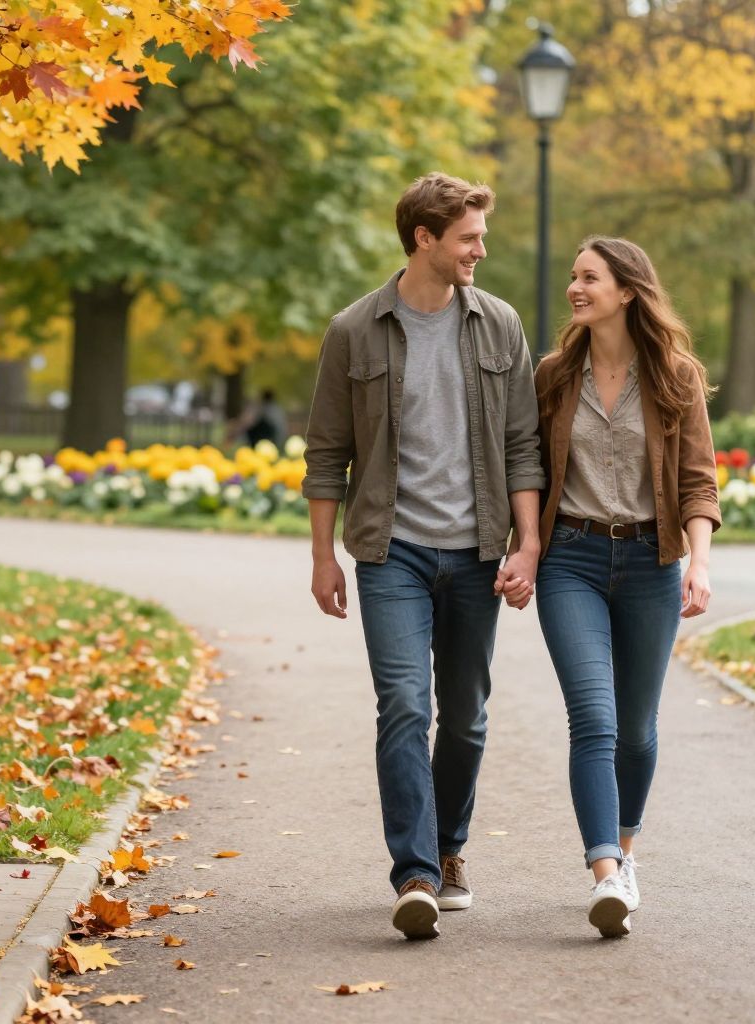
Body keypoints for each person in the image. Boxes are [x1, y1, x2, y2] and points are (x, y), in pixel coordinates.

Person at [303, 172, 544, 941]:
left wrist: (528, 544)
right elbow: (326, 453)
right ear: (424, 238)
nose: (480, 250)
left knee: (465, 716)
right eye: (468, 238)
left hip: (476, 552)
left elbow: (523, 446)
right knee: (405, 704)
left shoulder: (499, 325)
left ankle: (448, 848)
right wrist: (323, 557)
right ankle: (414, 874)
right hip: (392, 552)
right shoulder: (354, 330)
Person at [532, 237, 720, 938]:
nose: (575, 289)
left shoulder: (675, 376)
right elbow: (529, 470)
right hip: (570, 560)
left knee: (637, 730)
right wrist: (524, 547)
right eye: (573, 277)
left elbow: (698, 481)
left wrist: (698, 563)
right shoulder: (554, 376)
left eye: (590, 278)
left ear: (627, 291)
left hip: (650, 562)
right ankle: (605, 871)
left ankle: (627, 849)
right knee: (595, 719)